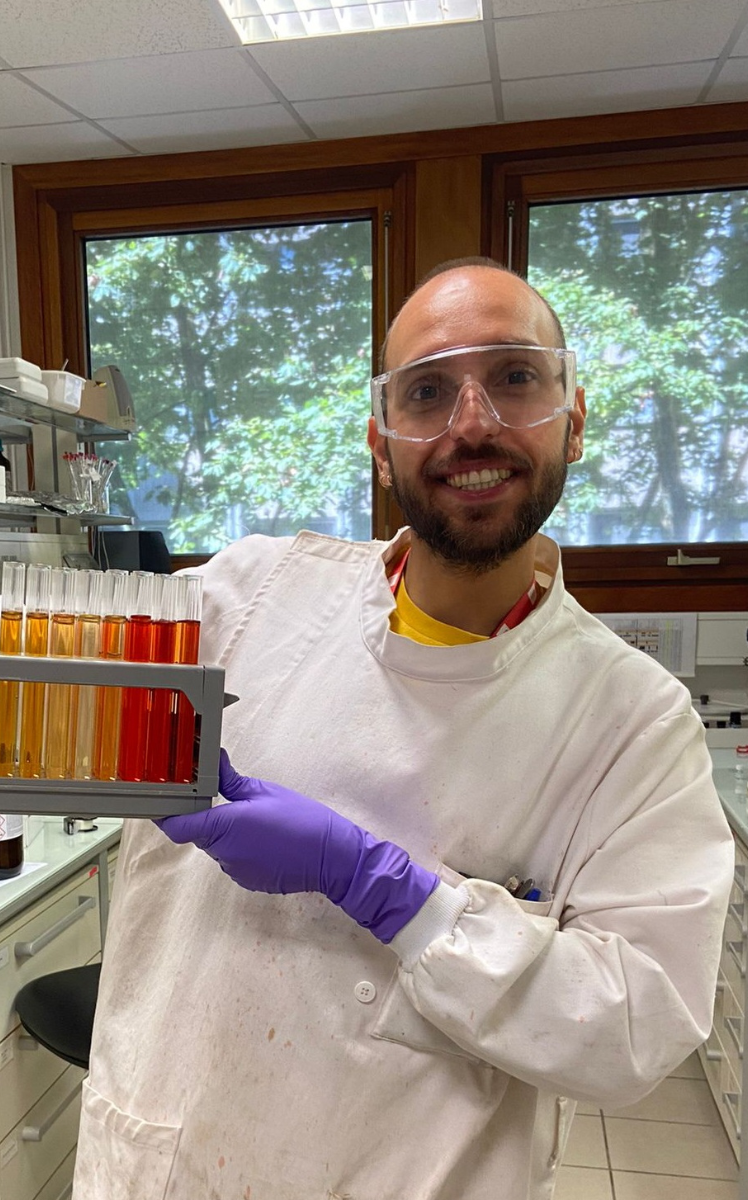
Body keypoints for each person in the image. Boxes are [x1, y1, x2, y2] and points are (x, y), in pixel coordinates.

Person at [73, 258, 733, 1200]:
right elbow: (24, 680)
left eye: (513, 377)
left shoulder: (633, 722)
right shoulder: (248, 598)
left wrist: (385, 889)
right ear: (381, 444)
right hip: (166, 1165)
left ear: (573, 422)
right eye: (428, 391)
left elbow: (635, 1030)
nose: (472, 424)